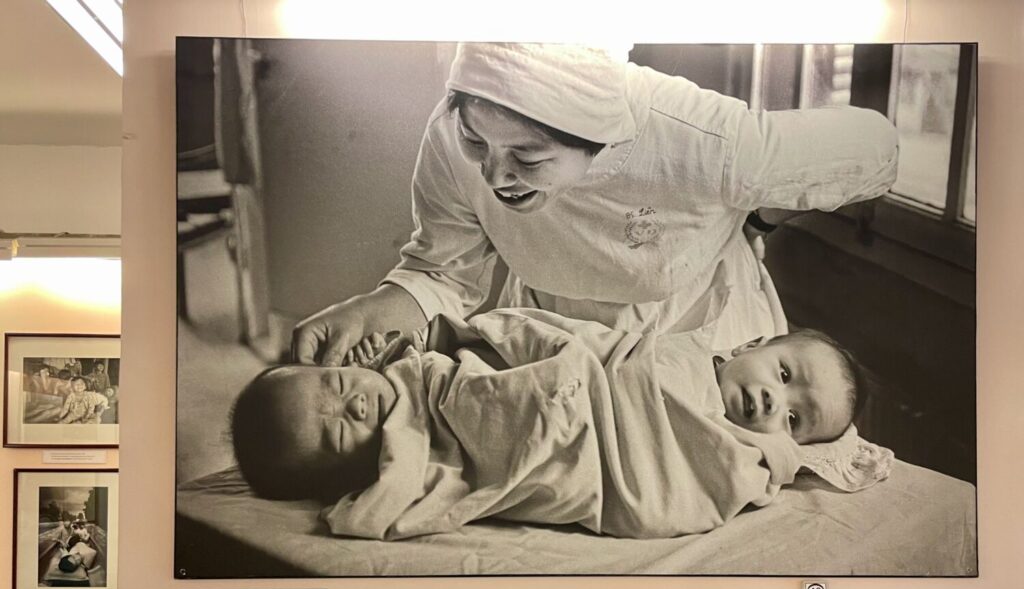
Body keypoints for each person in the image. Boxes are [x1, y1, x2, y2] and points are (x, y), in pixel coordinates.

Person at [291, 42, 898, 368]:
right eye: (479, 142)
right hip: (550, 340)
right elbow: (442, 273)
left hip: (698, 347)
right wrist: (366, 311)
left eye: (528, 158)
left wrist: (760, 208)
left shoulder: (704, 140)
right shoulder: (454, 135)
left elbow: (876, 147)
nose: (495, 174)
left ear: (599, 141)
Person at [236, 310, 889, 541]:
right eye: (782, 373)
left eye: (797, 417)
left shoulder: (750, 451)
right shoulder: (674, 349)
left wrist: (764, 456)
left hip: (615, 431)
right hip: (571, 395)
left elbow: (670, 489)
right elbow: (556, 345)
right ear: (750, 345)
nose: (776, 403)